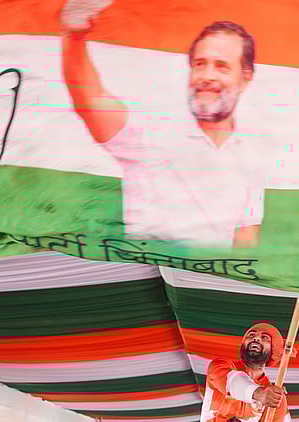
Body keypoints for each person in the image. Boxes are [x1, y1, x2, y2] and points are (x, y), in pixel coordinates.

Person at [60, 3, 268, 248]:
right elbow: (91, 99)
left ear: (245, 78)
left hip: (209, 272)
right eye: (199, 64)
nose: (207, 76)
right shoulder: (153, 132)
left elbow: (245, 242)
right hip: (148, 267)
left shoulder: (251, 155)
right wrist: (75, 34)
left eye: (221, 66)